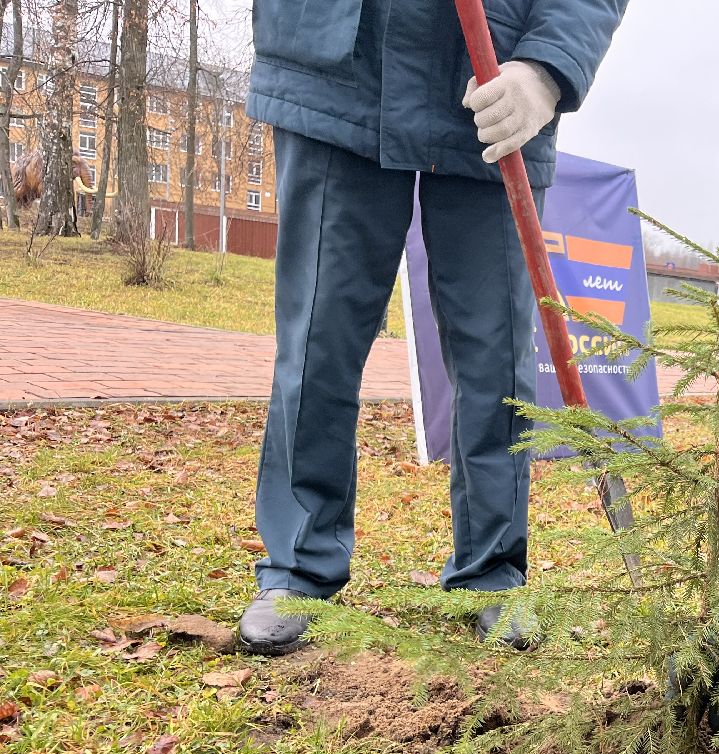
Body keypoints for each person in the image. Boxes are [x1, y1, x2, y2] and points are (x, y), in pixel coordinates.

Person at [236, 0, 627, 655]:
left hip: (492, 78)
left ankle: (493, 573)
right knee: (317, 340)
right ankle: (297, 568)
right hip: (337, 63)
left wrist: (547, 70)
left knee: (495, 357)